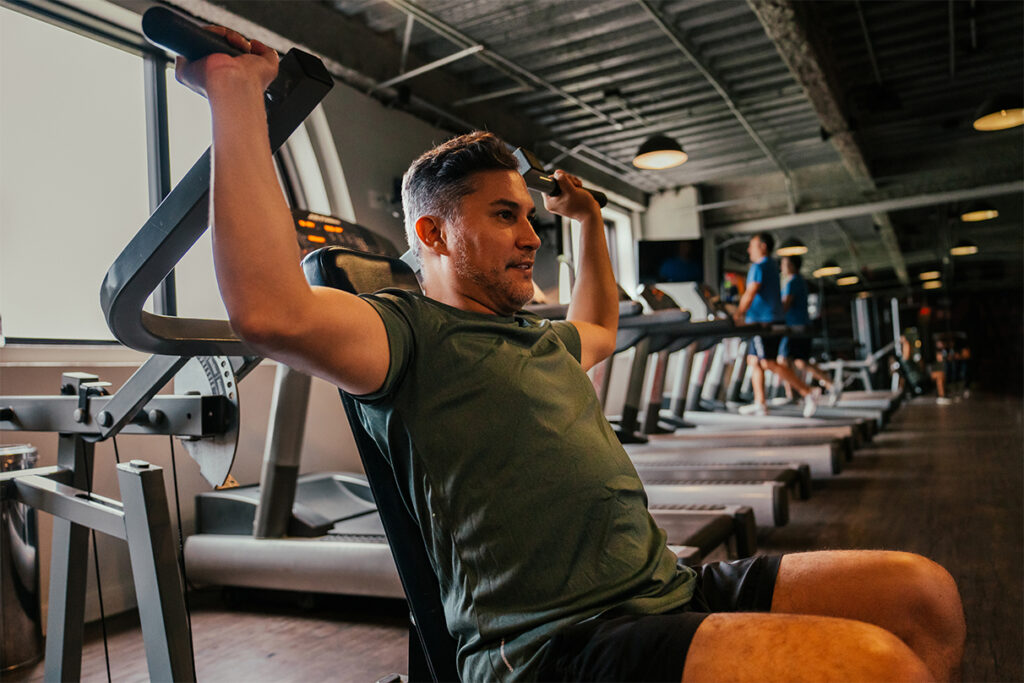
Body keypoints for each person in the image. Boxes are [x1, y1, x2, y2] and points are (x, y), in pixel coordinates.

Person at [176, 29, 965, 682]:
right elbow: (270, 310)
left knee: (922, 594)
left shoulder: (540, 335)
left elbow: (601, 326)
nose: (529, 236)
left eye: (531, 217)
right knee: (877, 668)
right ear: (433, 233)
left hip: (665, 588)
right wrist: (235, 93)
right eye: (504, 216)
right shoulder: (405, 334)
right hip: (556, 644)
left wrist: (586, 222)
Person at [734, 234, 823, 418]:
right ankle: (760, 403)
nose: (749, 250)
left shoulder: (759, 267)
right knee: (754, 360)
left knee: (768, 362)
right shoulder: (773, 267)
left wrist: (738, 314)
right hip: (769, 319)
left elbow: (751, 292)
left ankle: (808, 392)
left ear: (763, 247)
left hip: (764, 322)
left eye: (752, 246)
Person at [778, 254, 840, 404]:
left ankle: (793, 395)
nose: (781, 267)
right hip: (803, 326)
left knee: (783, 360)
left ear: (792, 266)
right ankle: (830, 383)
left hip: (794, 328)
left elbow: (785, 305)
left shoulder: (793, 282)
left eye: (784, 264)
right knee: (801, 362)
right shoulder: (800, 281)